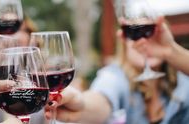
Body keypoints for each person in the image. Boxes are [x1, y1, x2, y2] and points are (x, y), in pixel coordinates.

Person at [44, 17, 189, 124]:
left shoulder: (183, 78)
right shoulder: (115, 76)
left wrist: (170, 52)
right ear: (124, 44)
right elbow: (101, 99)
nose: (144, 42)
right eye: (136, 36)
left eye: (151, 35)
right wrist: (81, 104)